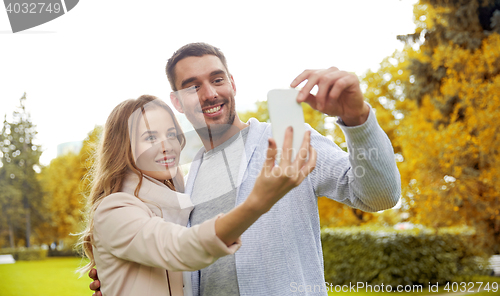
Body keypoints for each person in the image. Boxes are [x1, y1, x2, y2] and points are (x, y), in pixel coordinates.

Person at [90, 43, 401, 296]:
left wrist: (358, 120)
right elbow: (176, 249)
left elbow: (380, 196)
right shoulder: (186, 175)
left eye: (217, 79)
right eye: (192, 86)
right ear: (177, 102)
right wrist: (122, 277)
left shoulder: (286, 140)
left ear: (232, 83)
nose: (210, 93)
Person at [80, 95, 316, 296]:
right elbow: (180, 247)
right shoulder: (115, 209)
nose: (167, 146)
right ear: (123, 147)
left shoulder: (181, 198)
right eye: (150, 137)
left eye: (172, 134)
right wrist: (257, 203)